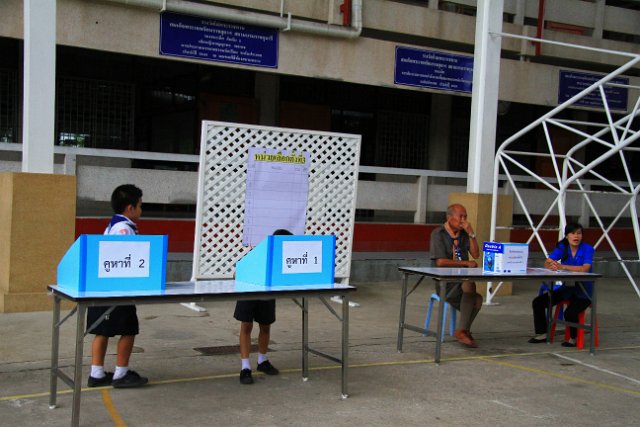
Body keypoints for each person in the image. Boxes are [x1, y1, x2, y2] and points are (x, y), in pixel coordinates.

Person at [86, 184, 149, 388]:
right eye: (140, 205)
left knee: (102, 331)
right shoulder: (124, 230)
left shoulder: (112, 225)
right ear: (130, 208)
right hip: (118, 289)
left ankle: (96, 374)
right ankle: (121, 374)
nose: (141, 210)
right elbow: (127, 260)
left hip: (102, 288)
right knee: (129, 330)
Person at [234, 229, 292, 384]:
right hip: (248, 292)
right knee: (246, 326)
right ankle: (245, 367)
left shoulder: (285, 258)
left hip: (267, 294)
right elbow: (237, 273)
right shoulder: (258, 252)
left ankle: (262, 360)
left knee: (265, 327)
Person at [529, 222, 594, 347]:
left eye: (579, 233)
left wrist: (563, 267)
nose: (576, 236)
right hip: (566, 289)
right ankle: (542, 334)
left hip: (584, 292)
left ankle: (574, 338)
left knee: (569, 313)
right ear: (567, 236)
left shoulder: (587, 249)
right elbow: (547, 262)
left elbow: (585, 268)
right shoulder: (562, 247)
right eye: (572, 233)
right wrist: (552, 265)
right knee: (538, 302)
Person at [429, 203, 482, 348]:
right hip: (445, 282)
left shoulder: (464, 234)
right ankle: (463, 332)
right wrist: (465, 263)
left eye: (465, 217)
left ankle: (463, 331)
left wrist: (471, 233)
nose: (463, 220)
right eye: (461, 217)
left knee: (478, 299)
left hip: (462, 282)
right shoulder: (438, 234)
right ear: (449, 217)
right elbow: (440, 262)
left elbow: (476, 254)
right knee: (469, 283)